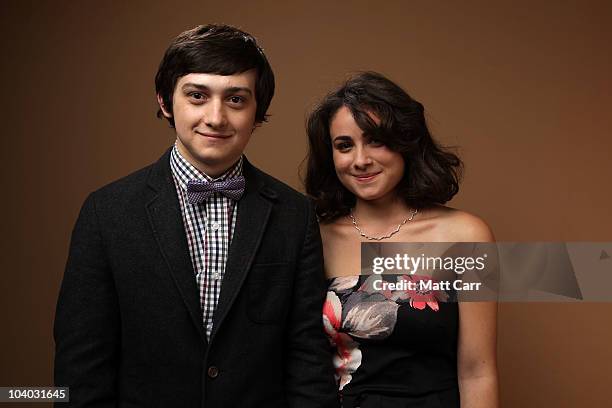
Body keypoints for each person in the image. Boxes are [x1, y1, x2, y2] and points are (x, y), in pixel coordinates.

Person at [54, 24, 338, 408]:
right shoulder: (106, 212)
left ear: (258, 112)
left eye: (236, 99)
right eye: (197, 96)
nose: (216, 117)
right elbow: (81, 366)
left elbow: (306, 358)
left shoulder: (294, 214)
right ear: (166, 101)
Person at [304, 72, 498, 407]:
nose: (361, 160)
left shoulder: (465, 236)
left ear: (406, 142)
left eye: (376, 140)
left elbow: (477, 373)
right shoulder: (312, 237)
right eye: (344, 145)